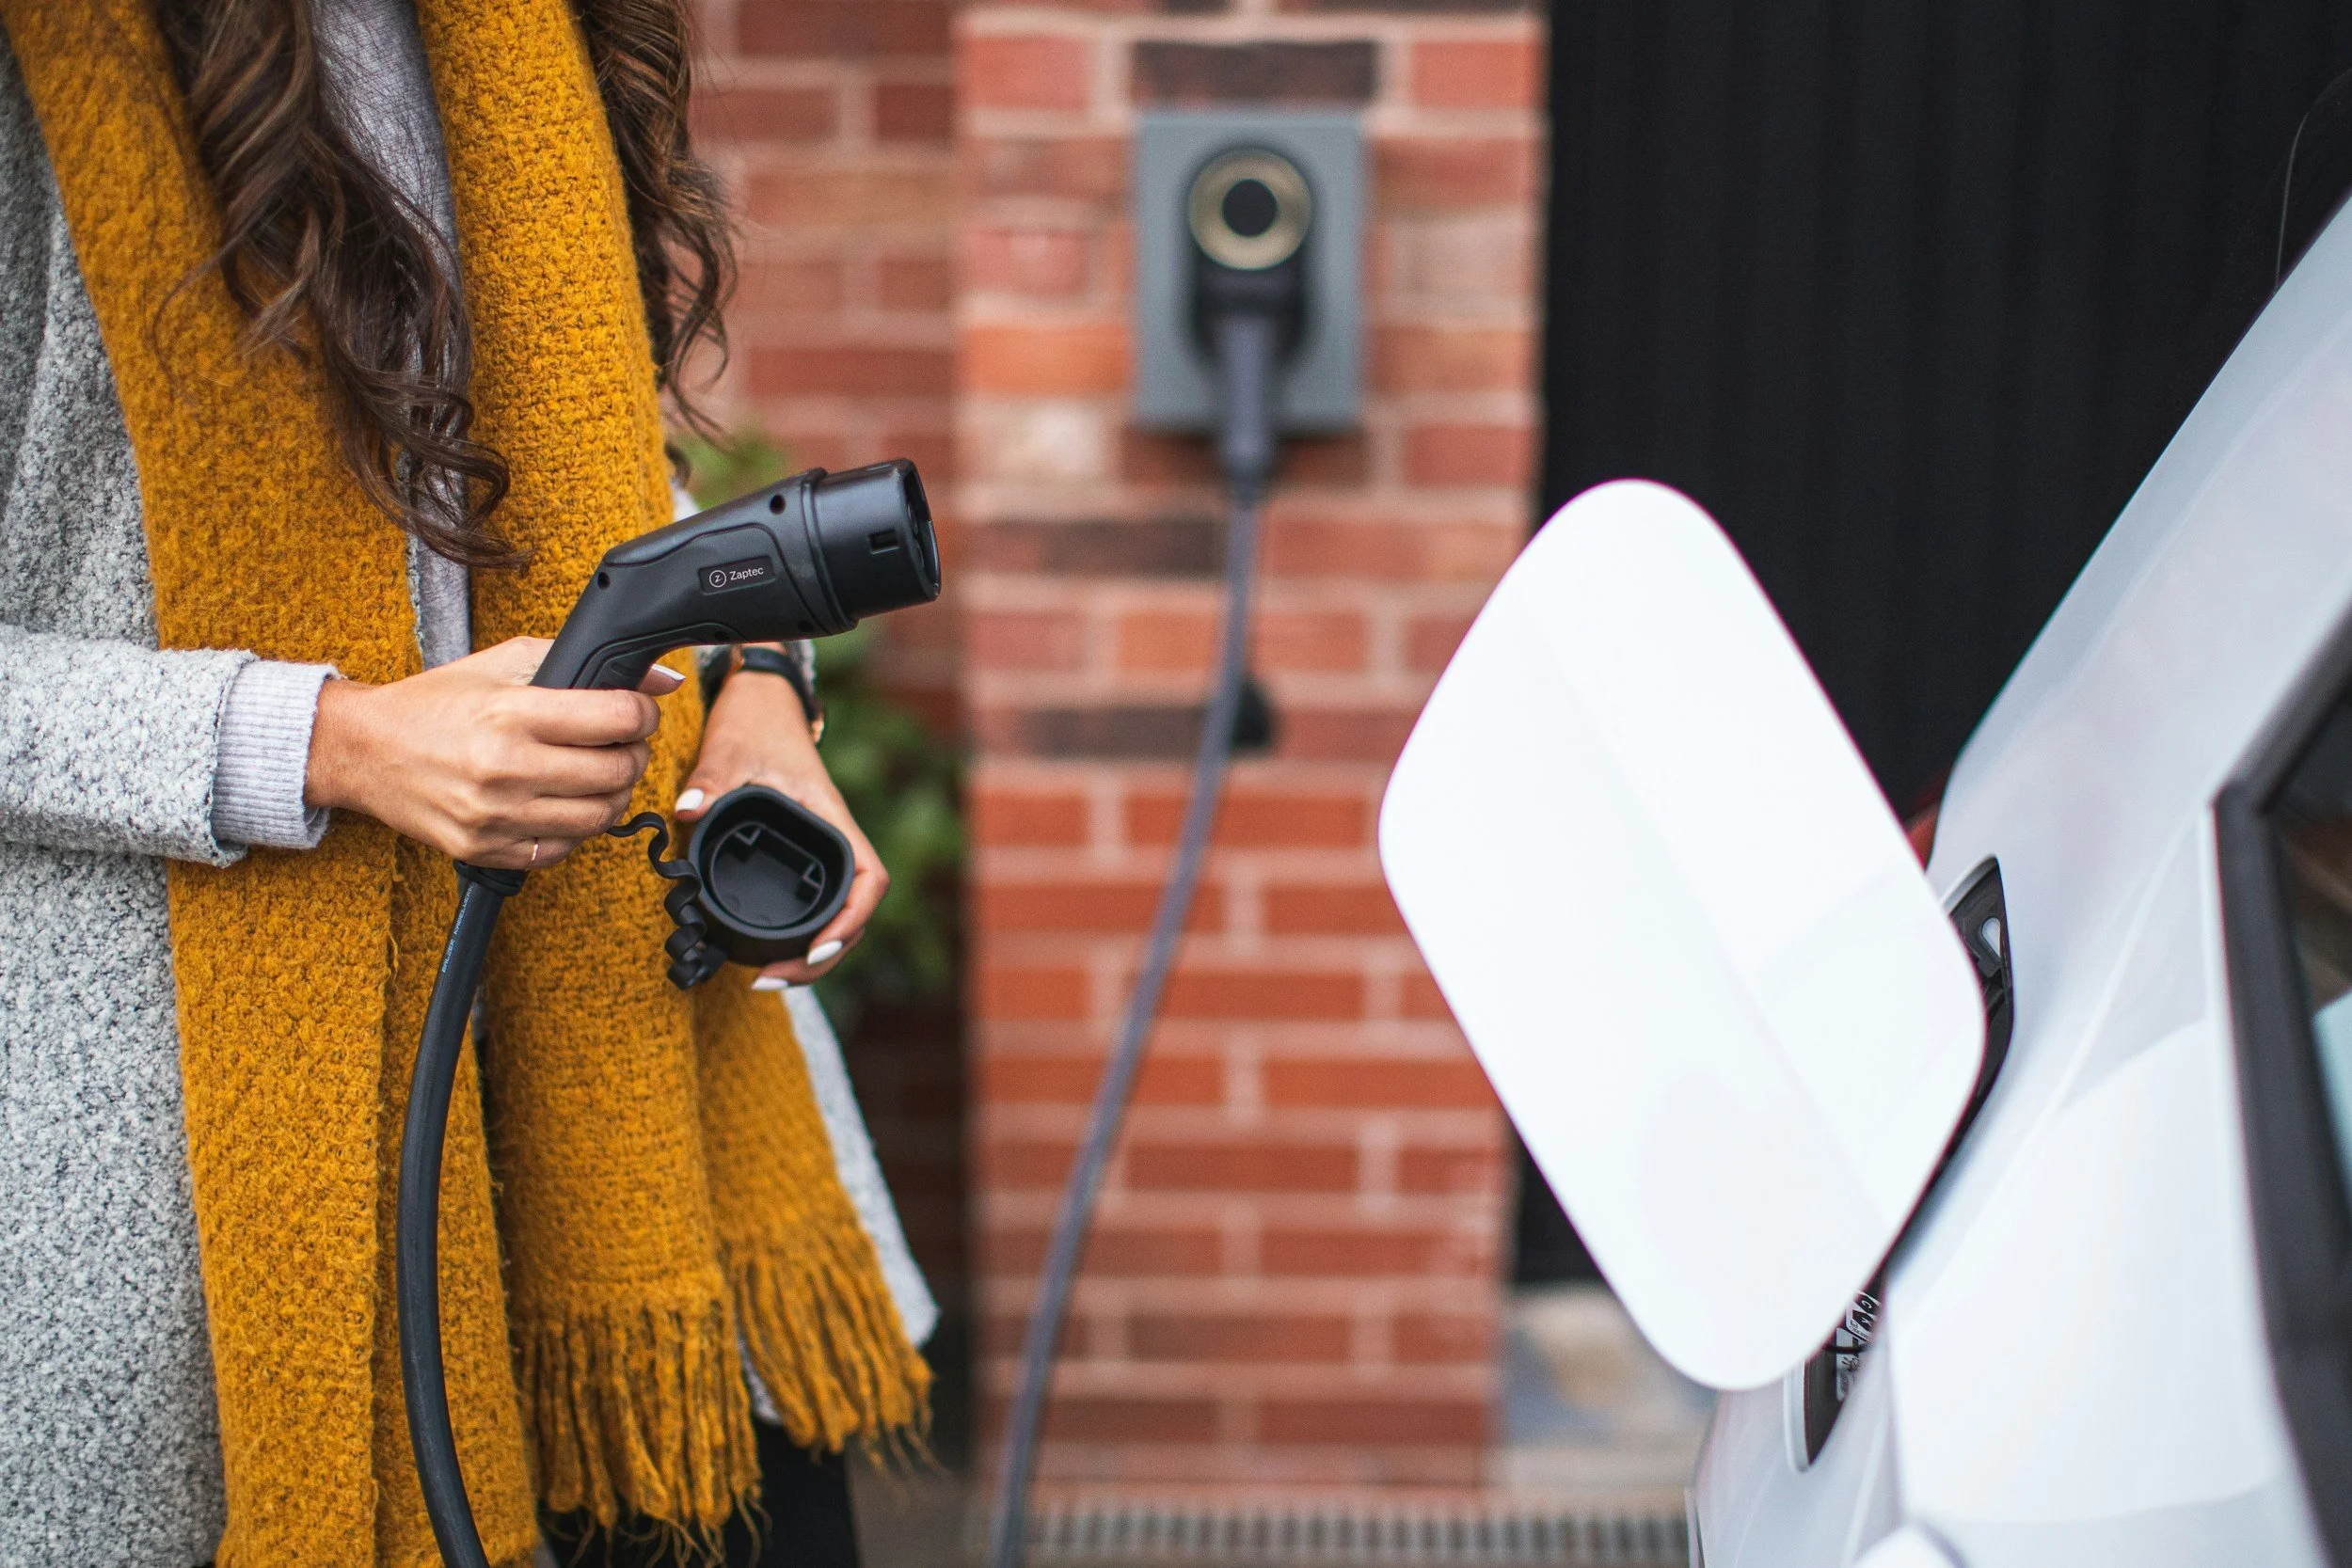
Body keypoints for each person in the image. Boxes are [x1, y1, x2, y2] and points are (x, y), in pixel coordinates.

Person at [0, 2, 931, 1564]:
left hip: (639, 1117)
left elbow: (614, 475)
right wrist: (333, 740)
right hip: (209, 1194)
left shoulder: (527, 28)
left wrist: (761, 691)